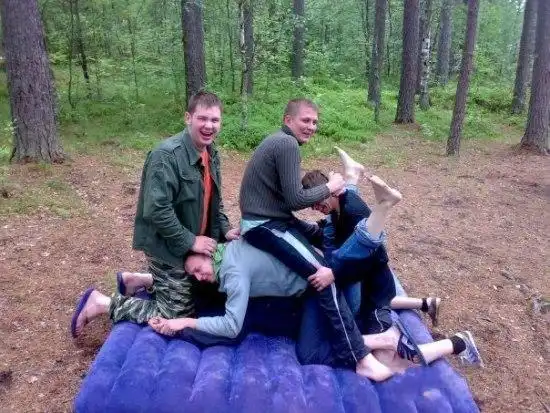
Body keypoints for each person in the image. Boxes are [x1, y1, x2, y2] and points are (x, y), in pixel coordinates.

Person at [71, 91, 238, 338]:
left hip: (197, 241)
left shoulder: (212, 153)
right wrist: (191, 241)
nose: (209, 126)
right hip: (167, 245)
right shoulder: (165, 156)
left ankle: (141, 280)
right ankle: (101, 303)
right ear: (188, 118)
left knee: (218, 285)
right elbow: (157, 210)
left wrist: (225, 228)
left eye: (214, 120)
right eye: (202, 118)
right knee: (177, 316)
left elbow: (216, 202)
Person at [238, 98, 372, 374]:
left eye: (314, 122)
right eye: (305, 120)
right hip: (264, 225)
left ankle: (351, 181)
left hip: (274, 218)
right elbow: (296, 199)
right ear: (288, 120)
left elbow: (288, 203)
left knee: (322, 236)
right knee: (322, 272)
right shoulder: (286, 144)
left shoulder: (280, 142)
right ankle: (358, 355)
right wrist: (331, 186)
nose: (311, 126)